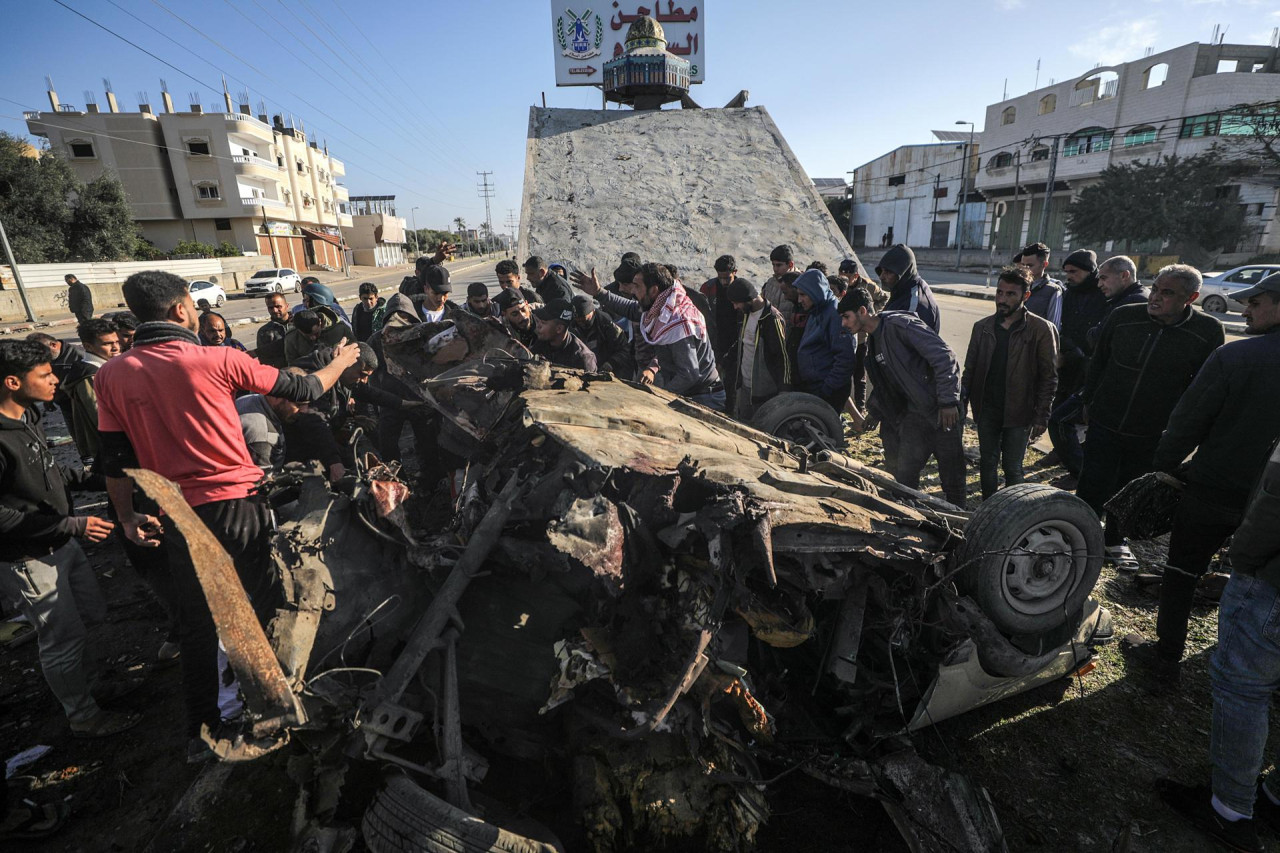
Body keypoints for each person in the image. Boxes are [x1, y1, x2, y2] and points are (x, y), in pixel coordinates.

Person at [94, 270, 361, 760]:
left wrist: (128, 517)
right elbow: (303, 391)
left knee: (199, 623)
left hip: (175, 512)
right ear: (179, 310)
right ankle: (272, 710)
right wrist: (341, 361)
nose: (196, 314)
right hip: (236, 506)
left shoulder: (109, 375)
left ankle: (203, 732)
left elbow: (114, 459)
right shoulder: (217, 359)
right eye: (193, 306)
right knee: (258, 609)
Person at [1126, 272, 1280, 682]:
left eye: (1257, 301)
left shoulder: (1236, 357)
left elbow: (1186, 423)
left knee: (1181, 572)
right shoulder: (1236, 356)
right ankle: (1253, 668)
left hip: (1215, 490)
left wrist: (1162, 468)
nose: (1245, 308)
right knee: (1264, 587)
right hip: (1270, 506)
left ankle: (1166, 658)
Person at [0, 340, 140, 738]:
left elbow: (54, 474)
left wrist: (116, 477)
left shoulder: (26, 417)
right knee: (60, 639)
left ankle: (93, 688)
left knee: (86, 620)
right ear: (12, 381)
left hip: (61, 541)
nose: (54, 380)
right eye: (44, 375)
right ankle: (84, 717)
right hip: (29, 558)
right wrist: (72, 525)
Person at [1155, 430, 1280, 853]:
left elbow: (1274, 502)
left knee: (1244, 691)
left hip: (1272, 585)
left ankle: (1228, 811)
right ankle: (1275, 799)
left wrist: (1243, 560)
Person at [1078, 264, 1224, 569]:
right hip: (1106, 420)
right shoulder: (1123, 316)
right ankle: (1080, 537)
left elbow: (1201, 389)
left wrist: (1180, 432)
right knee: (1092, 482)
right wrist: (1088, 401)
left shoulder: (1207, 331)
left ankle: (1115, 540)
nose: (1155, 297)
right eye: (1155, 288)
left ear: (1192, 297)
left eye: (1167, 293)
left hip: (1152, 432)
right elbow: (1098, 363)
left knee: (1132, 490)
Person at [839, 286, 966, 508]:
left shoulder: (900, 325)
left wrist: (948, 402)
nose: (844, 324)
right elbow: (888, 384)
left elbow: (945, 358)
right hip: (915, 417)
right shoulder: (873, 343)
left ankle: (961, 524)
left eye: (846, 317)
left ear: (862, 311)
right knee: (905, 477)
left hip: (942, 413)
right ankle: (910, 523)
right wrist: (875, 413)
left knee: (952, 478)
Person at [961, 267, 1059, 500]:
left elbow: (1049, 377)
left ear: (1025, 296)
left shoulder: (1042, 330)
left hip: (1020, 412)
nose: (1002, 300)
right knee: (987, 463)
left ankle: (1015, 512)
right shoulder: (982, 328)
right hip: (987, 410)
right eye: (999, 293)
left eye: (1010, 294)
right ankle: (989, 508)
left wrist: (1042, 415)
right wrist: (962, 402)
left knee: (1013, 468)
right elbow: (970, 370)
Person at [571, 262, 724, 410]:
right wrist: (599, 292)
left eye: (637, 286)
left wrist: (659, 398)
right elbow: (631, 309)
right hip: (688, 394)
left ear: (653, 290)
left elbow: (689, 374)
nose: (632, 291)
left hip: (703, 398)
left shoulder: (678, 322)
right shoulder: (661, 308)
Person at [1047, 249, 1107, 481]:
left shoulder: (1101, 295)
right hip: (1068, 362)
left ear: (1089, 271)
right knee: (1059, 413)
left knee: (1078, 418)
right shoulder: (1068, 293)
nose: (1069, 276)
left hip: (1090, 366)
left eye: (1074, 272)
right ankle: (1059, 453)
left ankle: (1079, 469)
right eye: (1067, 272)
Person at [794, 269, 857, 414]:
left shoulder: (834, 314)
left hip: (827, 390)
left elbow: (845, 358)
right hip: (815, 386)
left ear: (815, 291)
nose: (799, 300)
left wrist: (827, 388)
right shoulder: (816, 310)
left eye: (803, 295)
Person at [727, 278, 790, 421]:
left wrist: (784, 389)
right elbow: (742, 344)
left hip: (763, 392)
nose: (735, 307)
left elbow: (782, 356)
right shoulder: (746, 313)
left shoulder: (772, 319)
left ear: (748, 299)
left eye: (737, 303)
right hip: (745, 387)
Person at [63, 319, 121, 465]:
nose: (115, 348)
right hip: (108, 447)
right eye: (107, 344)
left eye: (116, 341)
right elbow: (98, 415)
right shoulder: (90, 375)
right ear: (88, 346)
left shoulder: (104, 367)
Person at [1086, 255, 1147, 350]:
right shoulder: (1139, 295)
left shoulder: (1131, 302)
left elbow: (1097, 339)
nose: (1099, 284)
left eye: (1103, 278)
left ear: (1124, 276)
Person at [876, 244, 940, 333]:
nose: (881, 276)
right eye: (881, 271)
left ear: (903, 273)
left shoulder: (915, 304)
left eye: (888, 272)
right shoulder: (902, 289)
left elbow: (903, 342)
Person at [571, 295, 633, 378]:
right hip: (582, 369)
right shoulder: (571, 324)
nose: (580, 323)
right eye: (577, 320)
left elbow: (625, 349)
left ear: (592, 312)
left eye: (583, 319)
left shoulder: (606, 324)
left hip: (610, 370)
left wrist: (611, 363)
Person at [700, 256, 743, 375]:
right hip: (714, 340)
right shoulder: (708, 288)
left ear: (735, 272)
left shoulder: (742, 290)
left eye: (727, 278)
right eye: (721, 278)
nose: (724, 282)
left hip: (736, 340)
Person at [531, 299, 598, 371]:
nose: (538, 326)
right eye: (538, 322)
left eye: (543, 323)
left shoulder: (583, 358)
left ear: (559, 329)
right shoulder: (542, 343)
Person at [1016, 243, 1064, 329]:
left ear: (1044, 264)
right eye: (1023, 265)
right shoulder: (1016, 285)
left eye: (1030, 265)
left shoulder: (1053, 291)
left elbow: (1053, 328)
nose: (1025, 269)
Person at [285, 308, 354, 366]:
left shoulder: (340, 329)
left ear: (320, 322)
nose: (313, 338)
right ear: (299, 330)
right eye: (308, 335)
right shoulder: (291, 339)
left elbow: (355, 350)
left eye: (316, 333)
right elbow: (292, 364)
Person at [762, 245, 799, 329]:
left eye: (778, 265)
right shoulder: (770, 283)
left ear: (790, 264)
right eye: (773, 265)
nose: (775, 269)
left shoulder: (801, 284)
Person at [256, 293, 291, 369]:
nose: (275, 310)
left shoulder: (299, 323)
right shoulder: (264, 331)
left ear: (287, 306)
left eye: (278, 306)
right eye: (270, 308)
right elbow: (263, 359)